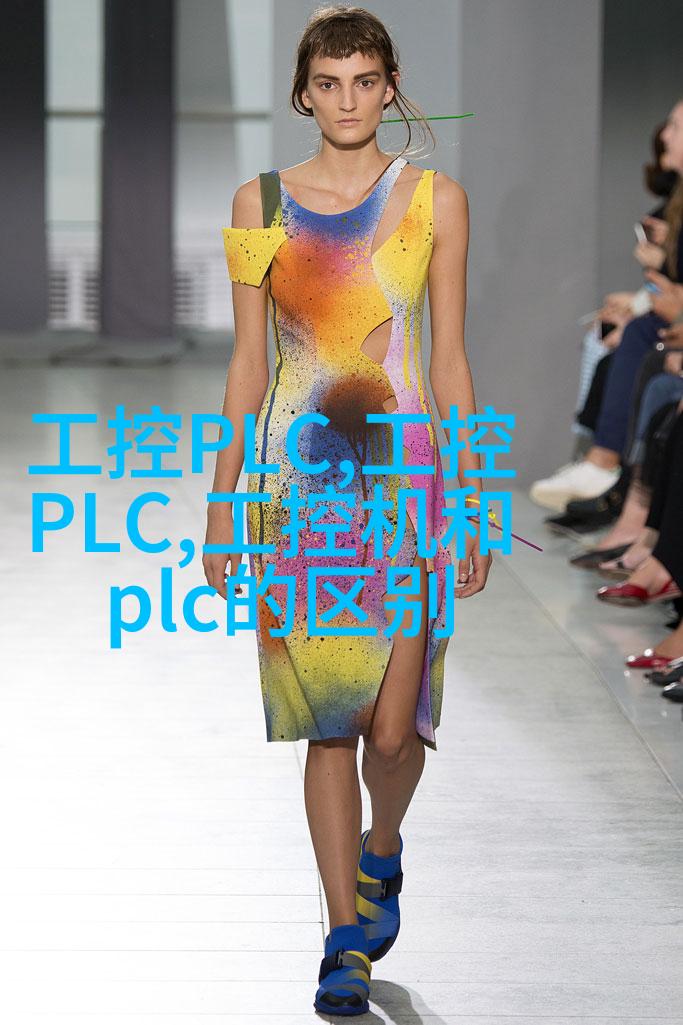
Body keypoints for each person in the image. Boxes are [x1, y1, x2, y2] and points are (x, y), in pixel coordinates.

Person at [202, 5, 491, 1016]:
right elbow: (248, 365)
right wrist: (224, 501)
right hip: (299, 491)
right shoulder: (259, 201)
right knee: (328, 725)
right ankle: (341, 939)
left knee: (393, 732)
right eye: (328, 84)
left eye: (365, 81)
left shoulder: (435, 202)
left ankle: (382, 847)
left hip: (406, 484)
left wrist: (473, 501)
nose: (347, 101)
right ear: (303, 93)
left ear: (389, 85)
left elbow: (447, 362)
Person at [530, 98, 683, 511]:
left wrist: (654, 280)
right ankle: (599, 470)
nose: (666, 135)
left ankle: (605, 468)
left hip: (666, 327)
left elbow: (672, 287)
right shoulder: (673, 206)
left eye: (674, 126)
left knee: (632, 346)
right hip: (665, 322)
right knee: (609, 340)